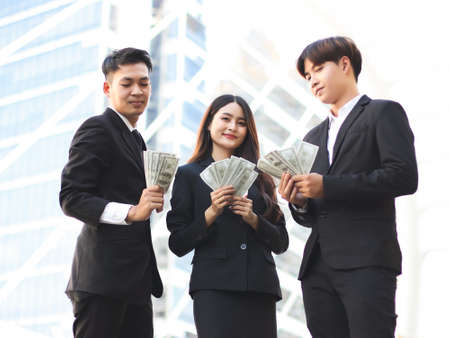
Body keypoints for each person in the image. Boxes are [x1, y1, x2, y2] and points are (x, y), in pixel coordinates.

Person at [279, 36, 418, 338]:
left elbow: (404, 177)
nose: (312, 80)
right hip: (317, 269)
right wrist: (299, 201)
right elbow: (311, 214)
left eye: (318, 69)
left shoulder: (383, 112)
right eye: (307, 75)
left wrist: (327, 186)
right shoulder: (311, 138)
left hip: (366, 261)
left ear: (344, 64)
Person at [60, 47, 163, 338]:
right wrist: (132, 211)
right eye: (126, 83)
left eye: (143, 83)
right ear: (108, 88)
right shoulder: (97, 128)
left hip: (137, 284)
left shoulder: (137, 139)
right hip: (102, 280)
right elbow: (71, 197)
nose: (137, 91)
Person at [166, 94, 288, 338]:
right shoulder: (188, 175)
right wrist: (211, 213)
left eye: (241, 122)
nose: (233, 127)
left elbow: (281, 242)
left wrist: (254, 219)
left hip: (259, 287)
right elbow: (178, 243)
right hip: (214, 287)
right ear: (210, 123)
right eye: (226, 118)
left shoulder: (261, 176)